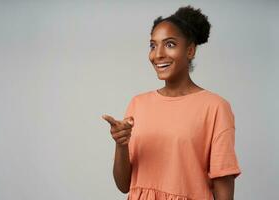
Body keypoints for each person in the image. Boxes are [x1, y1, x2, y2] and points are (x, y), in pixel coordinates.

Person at [102, 5, 242, 200]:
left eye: (169, 44)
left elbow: (223, 186)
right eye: (153, 45)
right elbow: (124, 185)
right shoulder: (138, 104)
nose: (158, 54)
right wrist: (121, 145)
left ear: (190, 50)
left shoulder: (215, 107)